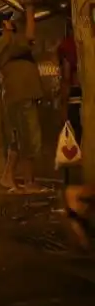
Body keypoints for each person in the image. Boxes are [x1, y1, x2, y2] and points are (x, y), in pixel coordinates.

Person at [0, 0, 45, 194]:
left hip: (19, 96)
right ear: (1, 26)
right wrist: (29, 9)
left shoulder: (6, 42)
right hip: (21, 96)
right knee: (30, 138)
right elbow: (29, 35)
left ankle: (8, 177)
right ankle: (29, 182)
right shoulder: (4, 41)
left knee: (20, 139)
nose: (10, 21)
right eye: (6, 20)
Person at [57, 16, 93, 249]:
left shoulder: (68, 46)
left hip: (77, 98)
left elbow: (66, 77)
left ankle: (75, 200)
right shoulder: (74, 45)